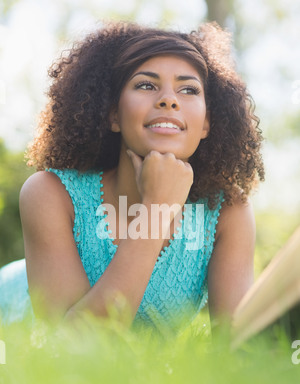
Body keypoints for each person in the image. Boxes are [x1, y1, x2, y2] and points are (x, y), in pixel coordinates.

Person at [0, 22, 264, 336]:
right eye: (146, 85)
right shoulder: (51, 192)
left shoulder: (226, 209)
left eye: (188, 89)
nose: (169, 99)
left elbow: (236, 348)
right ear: (112, 114)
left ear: (207, 123)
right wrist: (157, 209)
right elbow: (72, 348)